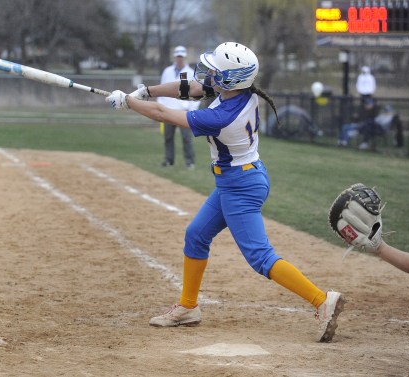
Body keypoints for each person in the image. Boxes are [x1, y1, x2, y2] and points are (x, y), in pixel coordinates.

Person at [106, 42, 344, 342]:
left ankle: (322, 301)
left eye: (216, 72)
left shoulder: (220, 117)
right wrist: (146, 91)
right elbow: (190, 87)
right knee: (196, 235)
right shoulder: (236, 93)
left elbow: (164, 115)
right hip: (240, 179)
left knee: (260, 257)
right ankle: (188, 307)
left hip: (240, 186)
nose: (208, 76)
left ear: (231, 79)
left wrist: (130, 103)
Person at [157, 46, 199, 169]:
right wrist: (161, 105)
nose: (179, 59)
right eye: (178, 56)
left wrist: (192, 109)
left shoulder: (190, 73)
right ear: (175, 57)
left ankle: (190, 162)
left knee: (187, 138)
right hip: (168, 110)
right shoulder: (167, 71)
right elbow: (161, 88)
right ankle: (169, 160)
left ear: (184, 57)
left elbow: (196, 93)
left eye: (181, 57)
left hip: (183, 112)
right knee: (168, 137)